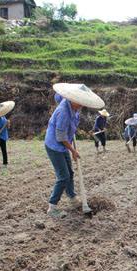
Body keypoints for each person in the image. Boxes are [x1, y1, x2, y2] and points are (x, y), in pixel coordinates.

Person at [45, 83, 105, 218]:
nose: (82, 105)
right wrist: (73, 150)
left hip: (63, 145)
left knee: (70, 173)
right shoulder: (64, 113)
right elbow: (60, 137)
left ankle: (72, 198)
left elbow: (57, 97)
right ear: (74, 100)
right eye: (80, 102)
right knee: (63, 177)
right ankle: (52, 207)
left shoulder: (70, 104)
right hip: (54, 146)